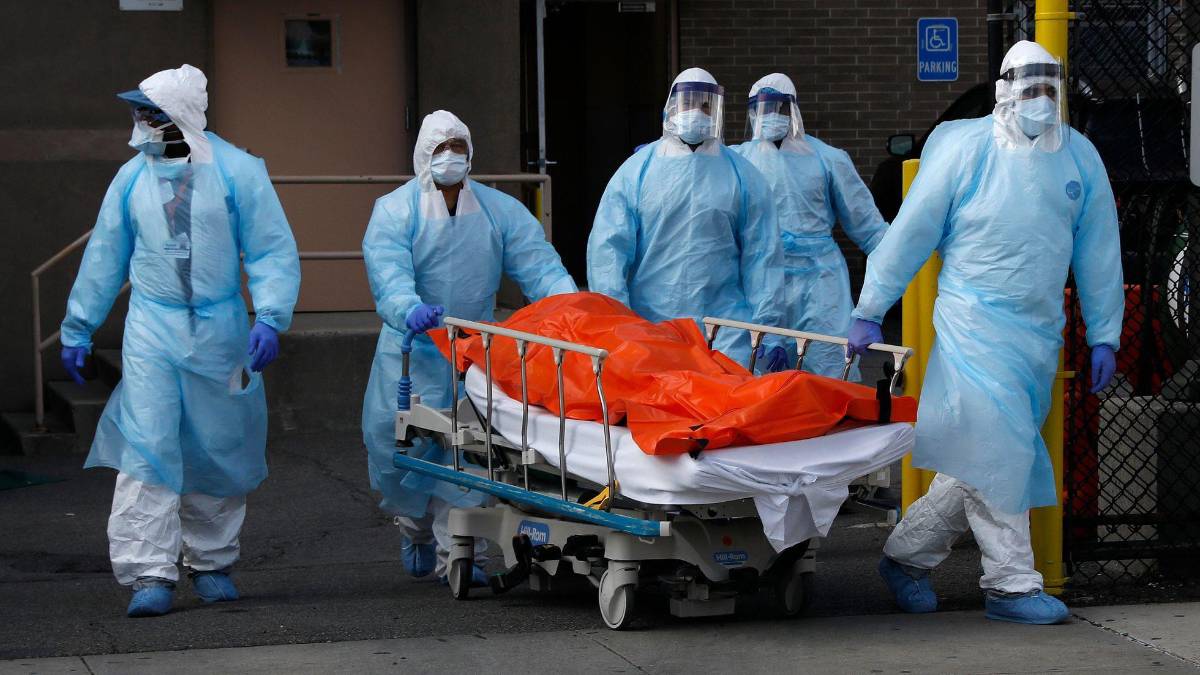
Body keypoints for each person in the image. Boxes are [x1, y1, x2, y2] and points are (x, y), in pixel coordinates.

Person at [847, 41, 1123, 624]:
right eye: (1030, 85)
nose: (1041, 98)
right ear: (1004, 89)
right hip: (972, 324)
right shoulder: (967, 150)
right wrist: (871, 306)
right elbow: (912, 231)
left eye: (1050, 86)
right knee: (1001, 451)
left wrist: (1106, 332)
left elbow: (1099, 250)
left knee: (984, 456)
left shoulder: (1079, 156)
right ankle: (1011, 585)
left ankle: (905, 558)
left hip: (1037, 334)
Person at [59, 64, 300, 618]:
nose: (139, 122)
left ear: (179, 116)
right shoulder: (131, 178)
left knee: (216, 445)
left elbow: (270, 248)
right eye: (139, 112)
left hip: (220, 330)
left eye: (150, 113)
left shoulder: (239, 172)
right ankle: (149, 572)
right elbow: (105, 254)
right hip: (153, 328)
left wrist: (270, 316)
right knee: (148, 445)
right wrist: (78, 326)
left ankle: (212, 562)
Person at [362, 110, 577, 585]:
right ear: (423, 155)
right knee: (402, 452)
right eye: (441, 149)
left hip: (477, 352)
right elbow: (388, 272)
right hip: (413, 349)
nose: (450, 158)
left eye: (458, 148)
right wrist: (408, 309)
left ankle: (460, 555)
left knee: (472, 454)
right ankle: (415, 529)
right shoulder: (394, 211)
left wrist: (569, 307)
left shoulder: (499, 210)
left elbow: (538, 265)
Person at [587, 67, 788, 370]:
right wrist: (617, 322)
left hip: (725, 330)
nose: (696, 111)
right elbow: (608, 253)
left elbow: (763, 257)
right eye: (688, 103)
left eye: (705, 104)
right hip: (651, 326)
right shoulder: (636, 172)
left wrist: (768, 329)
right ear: (671, 108)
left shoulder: (743, 175)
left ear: (717, 109)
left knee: (727, 396)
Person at [732, 73, 888, 378]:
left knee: (830, 370)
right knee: (761, 378)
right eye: (763, 107)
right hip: (762, 284)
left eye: (779, 107)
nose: (771, 115)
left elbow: (870, 229)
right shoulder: (736, 160)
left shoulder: (827, 159)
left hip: (820, 286)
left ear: (793, 109)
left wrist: (905, 262)